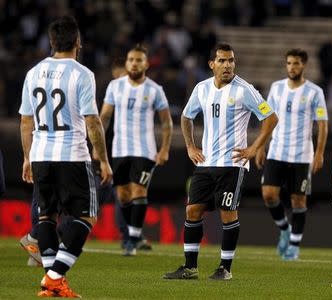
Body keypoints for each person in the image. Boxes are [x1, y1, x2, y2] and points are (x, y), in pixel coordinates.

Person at [163, 43, 278, 280]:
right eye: (223, 61)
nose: (228, 65)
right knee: (192, 211)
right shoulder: (202, 88)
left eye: (231, 61)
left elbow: (271, 118)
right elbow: (186, 116)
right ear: (212, 64)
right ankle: (190, 267)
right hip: (205, 163)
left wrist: (253, 149)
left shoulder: (245, 90)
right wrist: (190, 146)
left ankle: (225, 268)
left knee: (227, 212)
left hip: (232, 164)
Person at [19, 16, 112, 298]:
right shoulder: (82, 74)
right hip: (72, 154)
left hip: (41, 154)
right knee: (87, 215)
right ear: (78, 42)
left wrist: (27, 157)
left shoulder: (33, 73)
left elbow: (25, 122)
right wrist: (103, 158)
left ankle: (53, 283)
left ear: (51, 42)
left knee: (46, 216)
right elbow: (93, 121)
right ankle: (54, 277)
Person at [99, 44, 173, 256]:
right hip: (119, 149)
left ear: (146, 64)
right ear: (127, 62)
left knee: (139, 191)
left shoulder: (155, 90)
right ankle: (134, 234)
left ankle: (132, 238)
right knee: (122, 196)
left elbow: (166, 122)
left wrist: (164, 149)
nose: (134, 63)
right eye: (131, 59)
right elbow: (104, 118)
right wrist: (98, 147)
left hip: (145, 149)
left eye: (139, 60)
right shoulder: (115, 86)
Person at [255, 49, 328, 260]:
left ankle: (294, 246)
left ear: (303, 65)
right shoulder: (276, 88)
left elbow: (322, 125)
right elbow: (267, 118)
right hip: (277, 151)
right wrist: (260, 146)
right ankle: (284, 229)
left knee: (298, 201)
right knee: (268, 195)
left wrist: (320, 153)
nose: (292, 67)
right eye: (288, 63)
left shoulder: (314, 92)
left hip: (301, 155)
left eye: (296, 63)